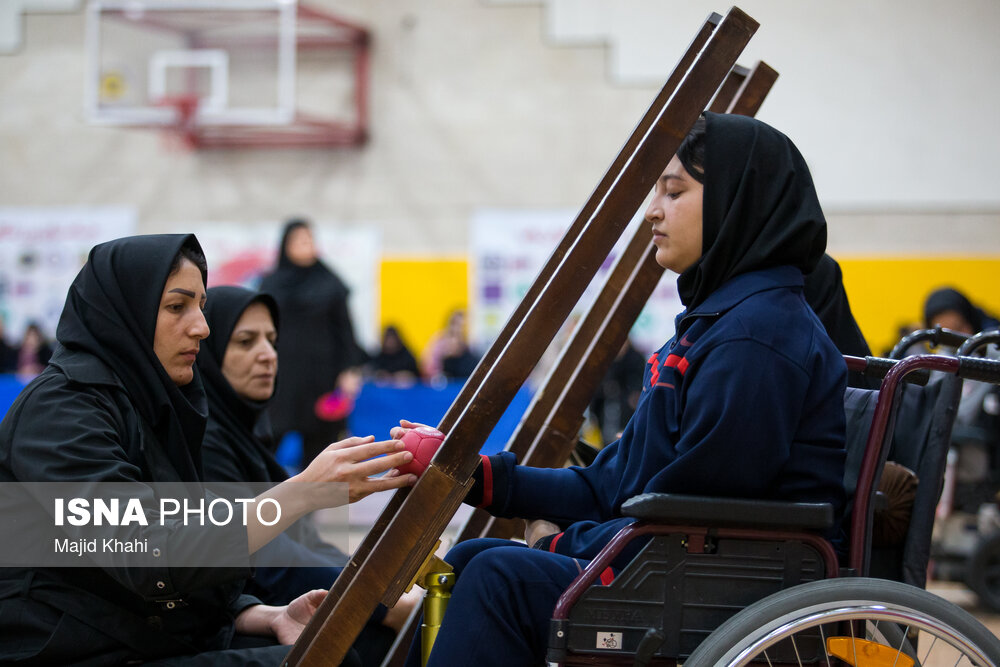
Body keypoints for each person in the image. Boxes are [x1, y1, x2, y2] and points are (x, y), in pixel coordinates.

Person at [403, 113, 848, 666]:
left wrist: (558, 544)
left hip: (717, 583)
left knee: (500, 576)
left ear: (738, 201)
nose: (652, 211)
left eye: (674, 192)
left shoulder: (756, 337)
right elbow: (611, 483)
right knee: (473, 556)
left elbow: (691, 511)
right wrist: (477, 476)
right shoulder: (720, 324)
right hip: (679, 562)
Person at [0, 234, 416, 666]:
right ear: (124, 312)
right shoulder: (62, 409)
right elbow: (147, 555)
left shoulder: (150, 403)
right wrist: (301, 493)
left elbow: (189, 546)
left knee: (344, 645)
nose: (201, 326)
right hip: (74, 652)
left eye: (200, 306)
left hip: (138, 637)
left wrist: (259, 615)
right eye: (176, 307)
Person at [196, 285, 417, 665]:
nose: (267, 354)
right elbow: (266, 557)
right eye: (246, 342)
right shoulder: (204, 440)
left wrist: (373, 585)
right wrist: (377, 601)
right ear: (207, 351)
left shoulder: (247, 429)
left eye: (272, 340)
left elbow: (303, 539)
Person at [260, 219, 368, 465]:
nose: (306, 245)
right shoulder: (271, 284)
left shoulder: (330, 283)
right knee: (267, 443)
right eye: (299, 240)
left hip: (322, 378)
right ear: (286, 245)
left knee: (321, 449)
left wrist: (350, 370)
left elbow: (345, 331)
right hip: (281, 378)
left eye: (309, 239)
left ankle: (314, 492)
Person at [923, 287, 1000, 336]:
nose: (953, 339)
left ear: (971, 320)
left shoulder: (993, 338)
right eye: (943, 336)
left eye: (958, 329)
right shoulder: (942, 353)